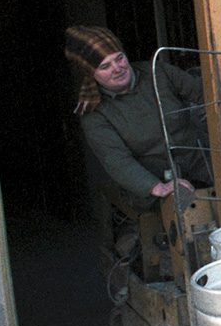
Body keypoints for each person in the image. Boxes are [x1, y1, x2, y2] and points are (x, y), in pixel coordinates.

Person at [64, 25, 210, 211]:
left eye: (119, 58)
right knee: (187, 216)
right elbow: (117, 161)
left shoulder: (158, 72)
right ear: (91, 74)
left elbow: (204, 94)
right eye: (105, 66)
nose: (117, 69)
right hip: (157, 183)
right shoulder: (95, 113)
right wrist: (157, 187)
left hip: (202, 162)